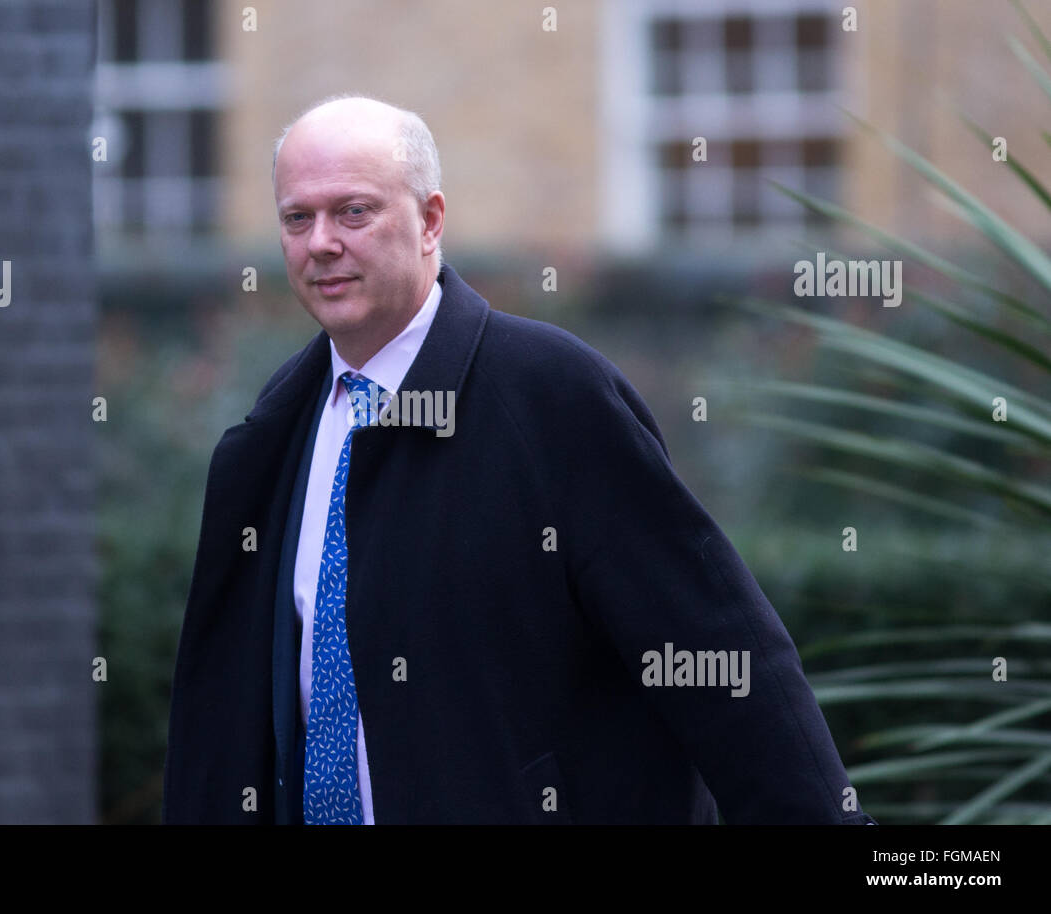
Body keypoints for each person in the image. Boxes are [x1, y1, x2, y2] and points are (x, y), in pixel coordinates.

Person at [161, 94, 875, 825]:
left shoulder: (552, 396)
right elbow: (223, 726)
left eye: (354, 212)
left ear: (431, 220)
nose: (321, 243)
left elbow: (722, 656)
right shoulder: (274, 431)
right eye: (296, 218)